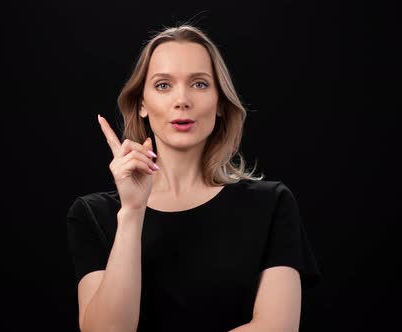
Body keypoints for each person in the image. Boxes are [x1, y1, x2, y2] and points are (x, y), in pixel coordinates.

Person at [66, 24, 320, 332]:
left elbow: (277, 326)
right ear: (142, 104)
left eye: (199, 84)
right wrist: (132, 213)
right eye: (163, 85)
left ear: (221, 103)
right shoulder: (93, 214)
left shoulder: (271, 204)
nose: (182, 100)